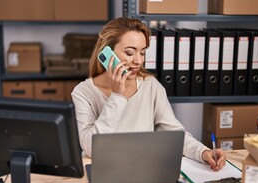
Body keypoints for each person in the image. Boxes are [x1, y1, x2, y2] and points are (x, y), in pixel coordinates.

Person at [71, 17, 226, 171]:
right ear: (107, 52)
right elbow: (91, 148)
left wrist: (203, 152)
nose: (138, 61)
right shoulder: (83, 92)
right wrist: (118, 97)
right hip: (104, 170)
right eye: (130, 52)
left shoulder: (151, 86)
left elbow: (174, 135)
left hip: (143, 170)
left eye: (143, 53)